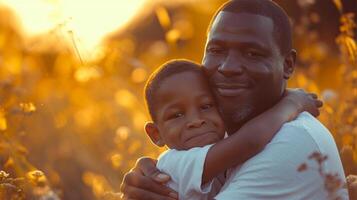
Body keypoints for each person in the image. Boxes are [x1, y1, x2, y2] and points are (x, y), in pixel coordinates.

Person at [120, 0, 348, 199]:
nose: (228, 67)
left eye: (252, 53)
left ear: (288, 64)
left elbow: (251, 141)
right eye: (217, 50)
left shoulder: (291, 140)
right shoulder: (218, 137)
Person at [143, 59, 321, 200]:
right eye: (177, 115)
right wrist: (292, 104)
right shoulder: (174, 164)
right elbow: (250, 141)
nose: (196, 121)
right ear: (156, 134)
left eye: (206, 106)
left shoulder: (218, 143)